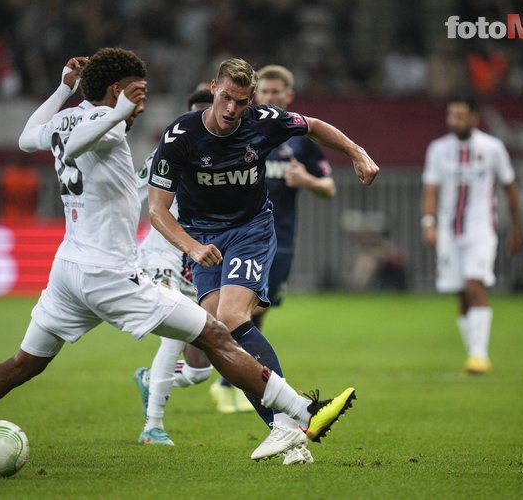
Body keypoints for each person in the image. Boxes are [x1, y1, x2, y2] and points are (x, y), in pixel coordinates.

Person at [0, 49, 355, 473]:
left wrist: (64, 89)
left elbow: (30, 138)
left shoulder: (68, 119)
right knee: (215, 332)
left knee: (20, 364)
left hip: (68, 271)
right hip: (109, 274)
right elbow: (79, 145)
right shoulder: (104, 125)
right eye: (138, 92)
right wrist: (116, 113)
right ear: (117, 90)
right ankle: (303, 412)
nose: (142, 103)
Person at [147, 58, 378, 463]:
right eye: (225, 98)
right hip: (204, 238)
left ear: (251, 99)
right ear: (213, 88)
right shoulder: (180, 136)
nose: (231, 109)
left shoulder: (265, 121)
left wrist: (356, 152)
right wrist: (192, 247)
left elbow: (314, 126)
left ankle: (290, 420)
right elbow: (157, 210)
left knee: (232, 318)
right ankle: (287, 430)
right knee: (215, 334)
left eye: (241, 102)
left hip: (250, 230)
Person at [209, 65, 337, 415]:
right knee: (242, 310)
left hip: (281, 237)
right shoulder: (242, 132)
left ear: (288, 96)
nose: (268, 98)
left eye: (275, 93)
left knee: (255, 311)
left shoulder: (299, 141)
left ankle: (233, 378)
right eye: (263, 92)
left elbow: (329, 187)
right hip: (241, 235)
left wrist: (307, 180)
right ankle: (233, 380)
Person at [132, 89, 219, 448]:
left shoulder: (226, 153)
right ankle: (153, 427)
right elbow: (133, 191)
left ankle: (149, 379)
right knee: (172, 337)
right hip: (163, 256)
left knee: (200, 371)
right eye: (197, 113)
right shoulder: (169, 150)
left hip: (197, 259)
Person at [421, 96, 523, 375]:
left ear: (474, 118)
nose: (453, 121)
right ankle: (473, 353)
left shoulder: (492, 148)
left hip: (481, 229)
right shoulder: (438, 149)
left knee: (474, 285)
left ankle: (479, 355)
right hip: (449, 230)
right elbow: (431, 189)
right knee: (461, 292)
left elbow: (509, 187)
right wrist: (428, 223)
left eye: (459, 116)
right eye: (450, 115)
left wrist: (517, 228)